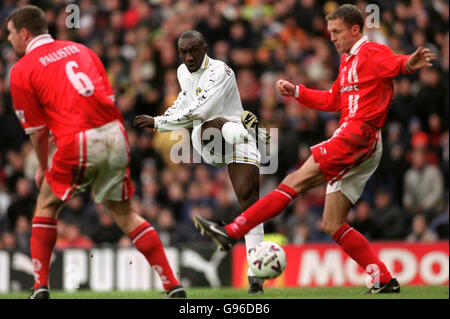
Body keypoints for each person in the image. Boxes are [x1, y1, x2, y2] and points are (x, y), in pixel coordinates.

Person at [193, 4, 437, 294]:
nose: (332, 38)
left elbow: (396, 64)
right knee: (332, 223)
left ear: (355, 30)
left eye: (336, 32)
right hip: (362, 142)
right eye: (330, 32)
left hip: (356, 136)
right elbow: (334, 99)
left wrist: (411, 61)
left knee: (292, 182)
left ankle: (232, 230)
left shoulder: (371, 53)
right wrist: (298, 92)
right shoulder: (347, 61)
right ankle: (383, 278)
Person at [7, 5, 185, 299]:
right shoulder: (82, 50)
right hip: (114, 133)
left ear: (25, 34)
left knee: (46, 206)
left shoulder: (22, 70)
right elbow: (108, 98)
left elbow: (38, 133)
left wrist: (42, 167)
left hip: (78, 140)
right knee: (126, 215)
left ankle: (40, 287)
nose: (9, 40)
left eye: (10, 34)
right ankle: (172, 285)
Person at [134, 30, 268, 294]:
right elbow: (187, 102)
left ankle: (256, 276)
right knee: (210, 124)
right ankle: (253, 130)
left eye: (194, 50)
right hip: (208, 141)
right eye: (183, 52)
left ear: (204, 48)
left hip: (237, 144)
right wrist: (161, 119)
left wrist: (158, 122)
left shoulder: (221, 71)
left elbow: (200, 108)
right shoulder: (183, 72)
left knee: (251, 204)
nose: (189, 56)